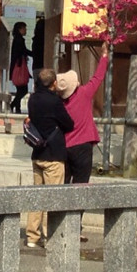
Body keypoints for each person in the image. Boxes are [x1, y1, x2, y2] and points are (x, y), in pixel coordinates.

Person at [23, 67, 69, 246]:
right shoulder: (55, 102)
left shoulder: (32, 99)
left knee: (37, 196)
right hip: (54, 154)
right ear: (54, 83)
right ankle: (50, 235)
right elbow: (68, 123)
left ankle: (32, 236)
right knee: (52, 197)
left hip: (37, 152)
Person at [57, 42, 110, 185]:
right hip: (83, 145)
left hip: (65, 146)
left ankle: (64, 207)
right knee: (81, 183)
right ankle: (77, 208)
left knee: (65, 182)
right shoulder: (84, 93)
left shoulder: (58, 102)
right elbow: (98, 77)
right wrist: (104, 56)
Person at [7, 22, 31, 114]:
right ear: (20, 29)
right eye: (24, 28)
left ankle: (17, 107)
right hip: (19, 67)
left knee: (20, 90)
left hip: (16, 67)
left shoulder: (16, 39)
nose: (25, 30)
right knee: (23, 90)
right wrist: (33, 54)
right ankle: (14, 104)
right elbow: (23, 51)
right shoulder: (19, 40)